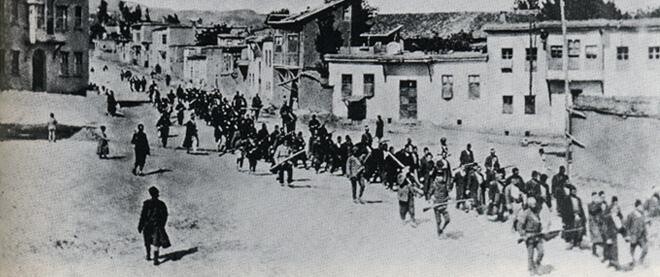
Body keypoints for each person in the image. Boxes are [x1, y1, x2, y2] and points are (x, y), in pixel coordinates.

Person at [137, 186, 171, 266]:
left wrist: (140, 226)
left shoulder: (146, 203)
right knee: (156, 242)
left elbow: (143, 216)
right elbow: (165, 215)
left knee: (147, 241)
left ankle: (148, 255)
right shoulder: (161, 204)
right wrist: (162, 225)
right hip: (157, 226)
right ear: (157, 194)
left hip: (148, 225)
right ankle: (155, 259)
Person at [518, 197, 544, 275]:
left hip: (537, 235)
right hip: (529, 236)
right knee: (530, 254)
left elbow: (539, 224)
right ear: (529, 205)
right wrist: (523, 234)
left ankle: (537, 264)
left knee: (541, 251)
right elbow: (519, 226)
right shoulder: (525, 213)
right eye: (533, 204)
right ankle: (531, 269)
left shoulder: (537, 213)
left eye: (535, 204)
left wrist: (542, 230)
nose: (535, 205)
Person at [624, 199, 649, 266]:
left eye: (642, 206)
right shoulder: (631, 215)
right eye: (640, 206)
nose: (641, 208)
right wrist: (628, 235)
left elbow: (644, 226)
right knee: (631, 252)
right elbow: (627, 226)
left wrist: (646, 234)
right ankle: (631, 263)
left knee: (645, 249)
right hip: (633, 236)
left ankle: (640, 261)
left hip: (641, 237)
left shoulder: (642, 214)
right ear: (636, 207)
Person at [429, 165, 452, 237]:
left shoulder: (444, 184)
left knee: (447, 219)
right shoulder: (434, 184)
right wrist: (431, 199)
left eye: (442, 176)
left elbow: (447, 193)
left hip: (444, 204)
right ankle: (439, 233)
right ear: (436, 177)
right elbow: (430, 193)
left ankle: (442, 229)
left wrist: (448, 198)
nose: (441, 178)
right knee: (438, 221)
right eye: (439, 176)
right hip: (437, 204)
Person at [602, 196, 623, 270]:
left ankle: (615, 263)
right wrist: (607, 237)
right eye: (615, 202)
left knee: (615, 249)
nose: (616, 203)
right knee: (610, 248)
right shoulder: (609, 214)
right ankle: (610, 262)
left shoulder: (617, 214)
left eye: (617, 202)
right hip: (610, 234)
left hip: (616, 234)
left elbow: (621, 221)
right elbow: (605, 225)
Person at [588, 192, 605, 258]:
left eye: (596, 197)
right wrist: (600, 205)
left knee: (600, 238)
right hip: (593, 224)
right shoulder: (590, 204)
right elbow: (592, 211)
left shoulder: (599, 204)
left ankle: (597, 252)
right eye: (594, 197)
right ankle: (595, 252)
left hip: (599, 223)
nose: (595, 198)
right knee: (596, 238)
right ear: (592, 197)